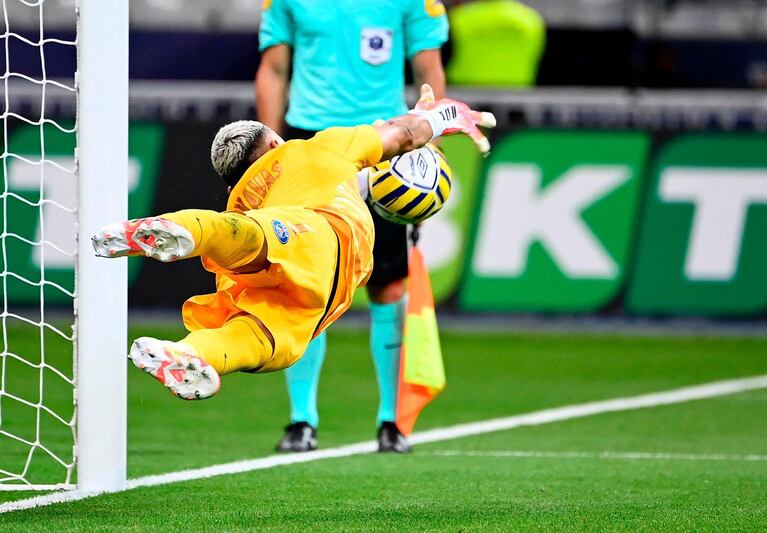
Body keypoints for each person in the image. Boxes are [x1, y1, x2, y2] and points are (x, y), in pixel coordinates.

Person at [91, 86, 493, 406]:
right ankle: (186, 238)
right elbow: (404, 136)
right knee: (263, 273)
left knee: (256, 329)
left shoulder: (241, 199)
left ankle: (187, 351)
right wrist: (442, 116)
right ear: (272, 144)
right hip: (323, 237)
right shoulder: (317, 147)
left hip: (276, 275)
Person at [255, 0, 449, 453]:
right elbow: (274, 68)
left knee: (387, 287)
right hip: (310, 142)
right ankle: (301, 420)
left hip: (383, 146)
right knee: (306, 283)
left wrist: (428, 142)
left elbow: (429, 71)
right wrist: (269, 151)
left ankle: (392, 422)